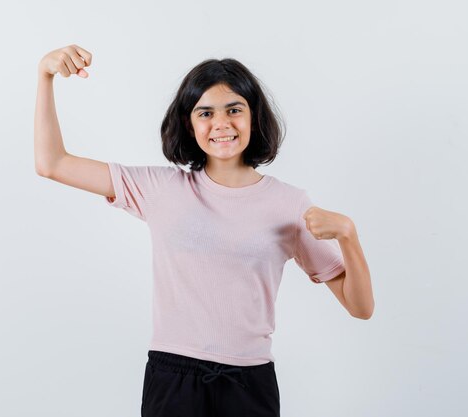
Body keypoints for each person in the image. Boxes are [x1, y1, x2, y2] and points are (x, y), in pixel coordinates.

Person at [34, 44, 374, 417]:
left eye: (234, 110)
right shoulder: (161, 188)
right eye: (205, 113)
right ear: (189, 123)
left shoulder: (289, 203)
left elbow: (361, 307)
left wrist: (348, 235)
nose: (221, 124)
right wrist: (45, 76)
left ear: (253, 118)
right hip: (173, 376)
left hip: (250, 383)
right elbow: (52, 164)